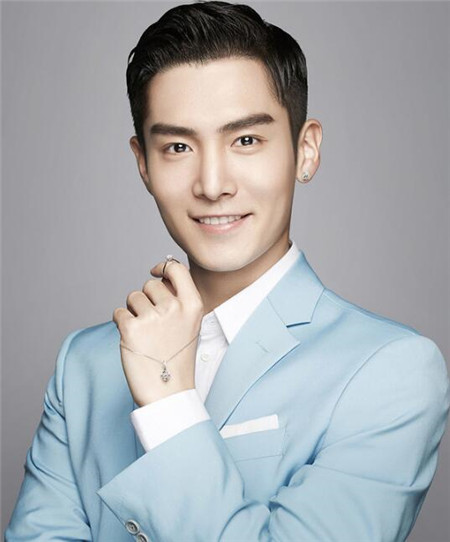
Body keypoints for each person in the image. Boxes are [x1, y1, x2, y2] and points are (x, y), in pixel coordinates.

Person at [5, 1, 449, 540]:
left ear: (305, 151)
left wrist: (169, 404)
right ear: (143, 164)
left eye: (246, 140)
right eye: (177, 146)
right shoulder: (83, 365)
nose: (212, 184)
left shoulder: (390, 371)